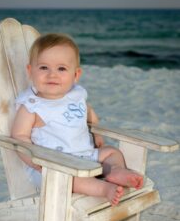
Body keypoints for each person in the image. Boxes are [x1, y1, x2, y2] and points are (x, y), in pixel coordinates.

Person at [11, 33, 143, 206]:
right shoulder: (32, 106)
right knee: (72, 180)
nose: (52, 75)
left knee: (112, 152)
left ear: (76, 75)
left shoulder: (75, 94)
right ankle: (104, 189)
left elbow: (85, 110)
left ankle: (114, 171)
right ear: (30, 71)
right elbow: (19, 138)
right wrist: (36, 163)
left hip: (85, 155)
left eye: (61, 69)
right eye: (44, 68)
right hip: (54, 167)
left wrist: (95, 129)